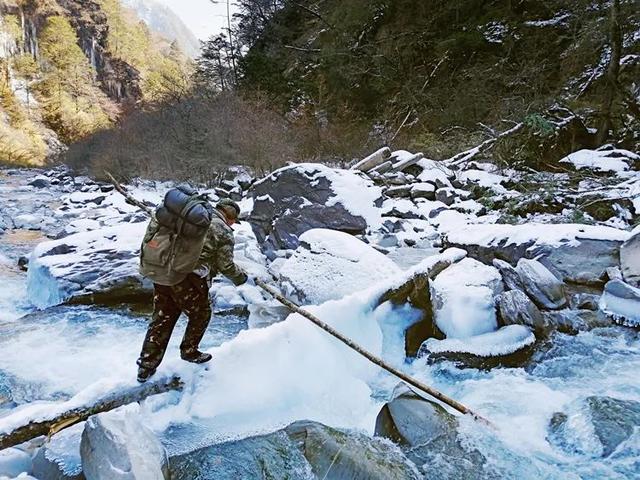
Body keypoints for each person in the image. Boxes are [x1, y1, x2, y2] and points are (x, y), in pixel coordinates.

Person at [136, 198, 248, 382]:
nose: (233, 224)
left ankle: (146, 367)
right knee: (201, 313)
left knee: (163, 317)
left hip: (162, 272)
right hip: (187, 278)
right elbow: (225, 265)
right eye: (234, 221)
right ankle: (189, 351)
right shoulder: (222, 230)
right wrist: (241, 278)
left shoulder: (191, 218)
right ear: (230, 217)